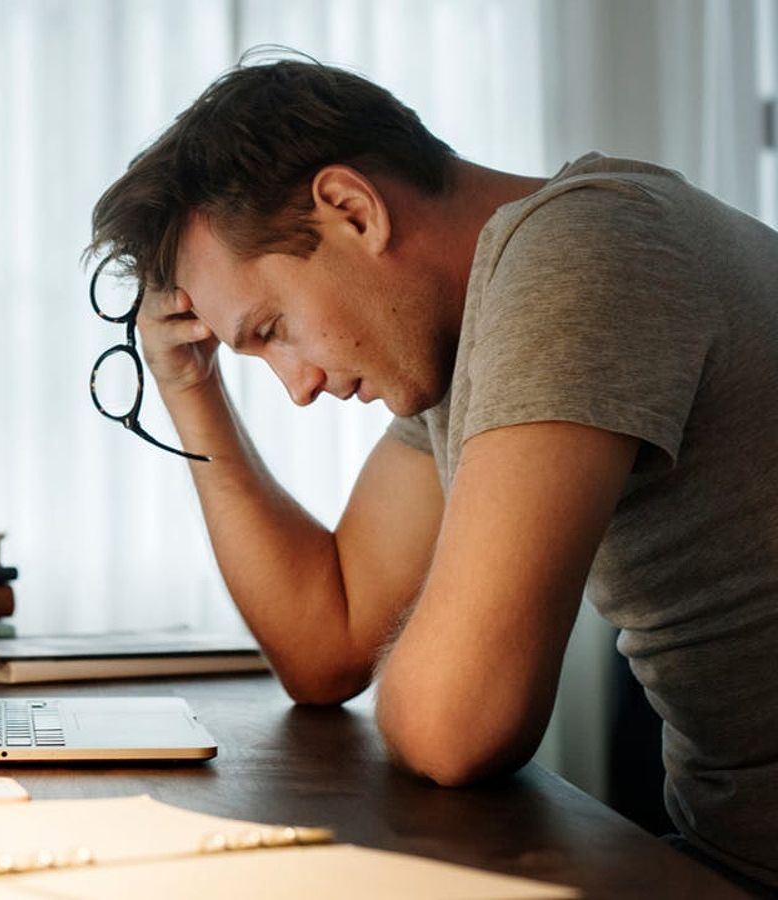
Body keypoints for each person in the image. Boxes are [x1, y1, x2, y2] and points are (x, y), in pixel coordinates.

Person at [88, 55, 778, 893]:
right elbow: (327, 644)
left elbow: (459, 725)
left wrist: (440, 660)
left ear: (352, 209)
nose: (300, 386)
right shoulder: (468, 334)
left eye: (274, 329)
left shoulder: (585, 253)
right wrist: (189, 386)